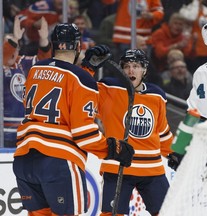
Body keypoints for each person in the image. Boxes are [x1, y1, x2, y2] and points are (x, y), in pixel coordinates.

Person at [12, 23, 134, 216]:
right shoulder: (82, 79)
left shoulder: (35, 70)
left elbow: (62, 83)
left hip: (24, 160)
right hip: (58, 162)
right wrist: (114, 149)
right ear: (78, 47)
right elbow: (84, 134)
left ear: (53, 45)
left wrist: (87, 70)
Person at [81, 47, 183, 215]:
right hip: (117, 166)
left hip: (152, 169)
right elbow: (81, 91)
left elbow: (162, 131)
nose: (130, 70)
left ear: (144, 69)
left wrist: (173, 153)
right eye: (126, 66)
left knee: (168, 212)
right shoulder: (109, 88)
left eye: (136, 66)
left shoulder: (157, 95)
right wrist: (88, 68)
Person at [3, 15, 51, 147]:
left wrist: (44, 40)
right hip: (3, 131)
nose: (14, 51)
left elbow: (43, 62)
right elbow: (5, 58)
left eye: (16, 46)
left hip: (23, 129)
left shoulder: (22, 62)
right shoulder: (2, 66)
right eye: (10, 46)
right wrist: (15, 39)